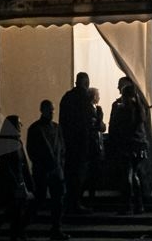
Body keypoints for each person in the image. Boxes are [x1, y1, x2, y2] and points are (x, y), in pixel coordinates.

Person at [26, 100, 69, 241]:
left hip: (53, 169)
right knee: (42, 199)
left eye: (52, 110)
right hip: (45, 170)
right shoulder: (38, 128)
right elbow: (32, 151)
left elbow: (62, 148)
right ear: (42, 110)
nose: (52, 112)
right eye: (49, 110)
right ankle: (24, 225)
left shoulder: (51, 128)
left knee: (56, 200)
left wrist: (60, 163)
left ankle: (56, 228)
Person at [108, 82, 148, 214]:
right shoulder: (140, 109)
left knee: (127, 175)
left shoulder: (123, 110)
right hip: (139, 146)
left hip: (127, 146)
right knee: (135, 174)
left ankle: (127, 204)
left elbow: (117, 127)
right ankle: (139, 204)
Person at [59, 72, 94, 213]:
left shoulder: (67, 97)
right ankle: (76, 202)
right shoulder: (85, 97)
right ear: (86, 83)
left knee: (70, 172)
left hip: (69, 141)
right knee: (80, 173)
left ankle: (69, 201)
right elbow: (89, 120)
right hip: (81, 142)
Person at [0, 115, 34, 241]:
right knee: (15, 211)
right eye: (19, 124)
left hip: (17, 181)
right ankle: (15, 234)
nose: (21, 126)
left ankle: (14, 233)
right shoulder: (9, 143)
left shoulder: (16, 141)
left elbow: (22, 165)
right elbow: (8, 166)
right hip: (11, 183)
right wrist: (19, 183)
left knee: (14, 211)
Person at [85, 87, 106, 207]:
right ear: (94, 97)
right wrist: (100, 119)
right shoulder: (89, 110)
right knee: (91, 174)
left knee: (94, 173)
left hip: (96, 145)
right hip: (92, 146)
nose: (99, 97)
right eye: (98, 95)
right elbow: (99, 126)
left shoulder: (95, 110)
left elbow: (102, 127)